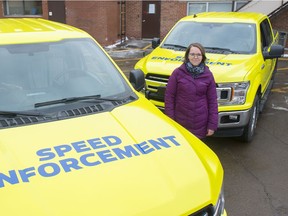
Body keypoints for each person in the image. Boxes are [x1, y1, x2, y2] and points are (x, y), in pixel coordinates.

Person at [165, 43, 218, 140]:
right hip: (180, 122)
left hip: (200, 124)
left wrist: (212, 125)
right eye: (192, 54)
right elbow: (169, 97)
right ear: (187, 56)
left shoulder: (208, 75)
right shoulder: (177, 73)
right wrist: (170, 119)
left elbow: (213, 101)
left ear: (203, 57)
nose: (195, 57)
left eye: (198, 54)